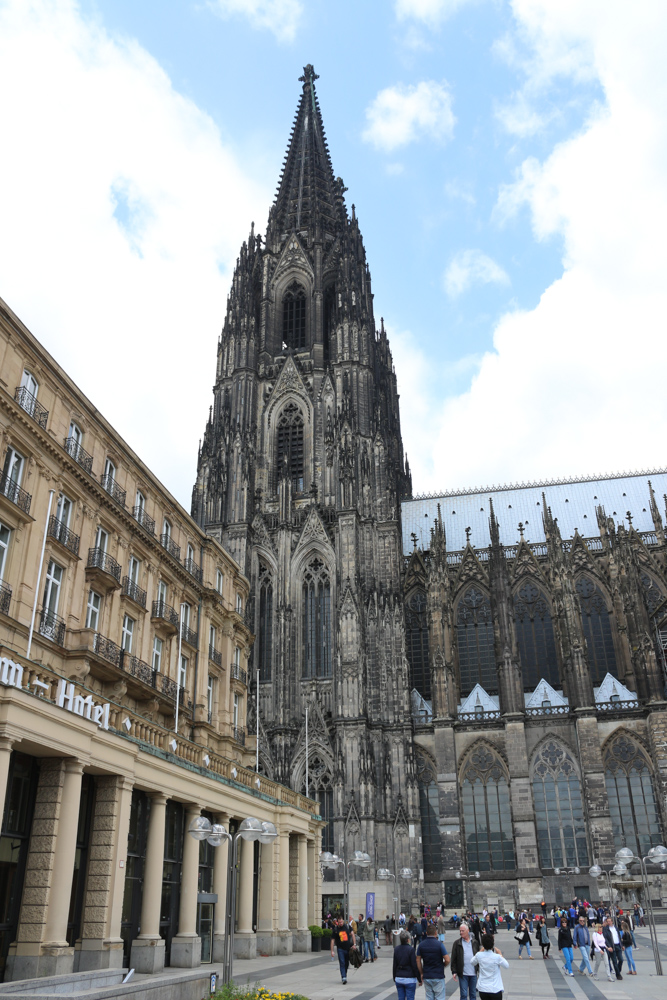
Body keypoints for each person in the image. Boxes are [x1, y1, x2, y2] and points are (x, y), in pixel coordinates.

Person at [416, 923, 450, 1000]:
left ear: (426, 933)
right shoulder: (439, 944)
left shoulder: (421, 945)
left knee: (429, 997)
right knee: (439, 997)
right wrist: (443, 965)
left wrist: (421, 973)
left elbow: (418, 960)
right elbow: (447, 959)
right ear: (435, 933)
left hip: (427, 975)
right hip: (438, 975)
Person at [471, 934, 509, 1000]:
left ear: (482, 944)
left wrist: (480, 951)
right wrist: (500, 954)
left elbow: (472, 962)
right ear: (493, 943)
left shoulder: (479, 955)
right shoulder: (497, 957)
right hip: (495, 988)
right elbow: (506, 966)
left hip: (483, 988)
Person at [450, 921, 479, 1000]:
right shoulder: (457, 943)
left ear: (468, 931)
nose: (461, 933)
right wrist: (454, 971)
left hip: (473, 972)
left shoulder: (475, 942)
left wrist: (479, 969)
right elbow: (454, 958)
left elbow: (478, 956)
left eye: (462, 931)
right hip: (463, 973)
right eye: (460, 931)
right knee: (463, 994)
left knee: (473, 993)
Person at [393, 929, 422, 1000]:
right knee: (410, 997)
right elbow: (414, 965)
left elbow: (394, 965)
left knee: (401, 998)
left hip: (399, 977)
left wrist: (395, 977)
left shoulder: (396, 949)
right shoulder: (411, 950)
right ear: (408, 940)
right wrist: (419, 978)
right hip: (409, 978)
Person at [331, 917, 356, 985]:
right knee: (342, 962)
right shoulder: (336, 929)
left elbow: (353, 934)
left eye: (341, 922)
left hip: (348, 948)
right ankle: (343, 977)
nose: (341, 923)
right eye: (339, 922)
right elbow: (332, 940)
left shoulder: (347, 926)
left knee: (347, 963)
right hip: (340, 949)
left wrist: (354, 944)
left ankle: (344, 974)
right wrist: (332, 951)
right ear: (337, 922)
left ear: (343, 921)